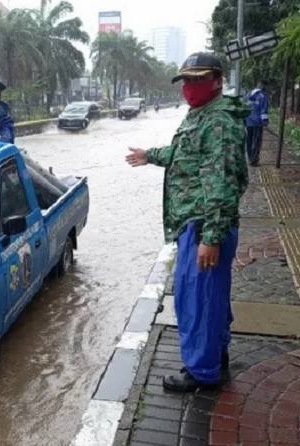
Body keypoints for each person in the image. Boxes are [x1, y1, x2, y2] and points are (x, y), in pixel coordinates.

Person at [125, 52, 250, 392]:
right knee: (210, 297)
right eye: (186, 81)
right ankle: (214, 356)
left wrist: (210, 237)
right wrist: (150, 155)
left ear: (217, 80)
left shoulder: (219, 122)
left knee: (197, 300)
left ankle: (201, 372)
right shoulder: (202, 115)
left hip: (204, 225)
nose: (190, 87)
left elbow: (223, 185)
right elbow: (184, 155)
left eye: (198, 79)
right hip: (198, 224)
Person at [245, 81, 269, 166]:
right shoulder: (263, 96)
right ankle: (254, 160)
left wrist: (244, 121)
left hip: (248, 122)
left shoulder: (248, 95)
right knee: (256, 141)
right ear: (262, 86)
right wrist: (265, 123)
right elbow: (264, 111)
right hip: (257, 123)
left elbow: (244, 108)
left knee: (249, 141)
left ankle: (250, 158)